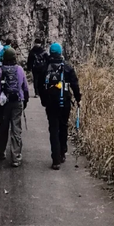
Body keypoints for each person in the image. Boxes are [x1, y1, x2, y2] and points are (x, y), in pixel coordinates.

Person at [40, 42, 81, 170]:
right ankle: (62, 151)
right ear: (60, 53)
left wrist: (44, 101)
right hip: (65, 102)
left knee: (53, 129)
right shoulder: (67, 67)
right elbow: (75, 84)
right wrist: (78, 98)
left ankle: (55, 160)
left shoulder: (45, 67)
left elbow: (40, 86)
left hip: (51, 103)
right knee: (63, 126)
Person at [0, 47, 29, 167]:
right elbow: (25, 87)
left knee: (3, 127)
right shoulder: (19, 69)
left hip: (4, 103)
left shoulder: (0, 71)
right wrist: (25, 100)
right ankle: (16, 157)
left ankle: (1, 151)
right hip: (17, 101)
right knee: (16, 128)